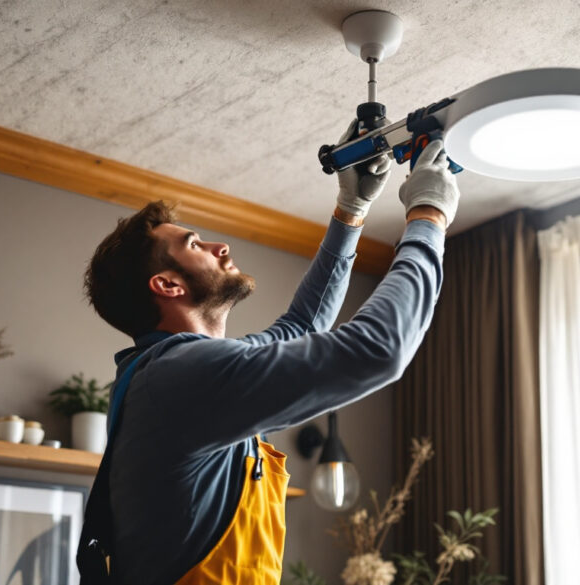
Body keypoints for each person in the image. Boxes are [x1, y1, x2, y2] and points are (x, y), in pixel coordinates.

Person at [79, 133, 460, 584]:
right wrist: (428, 218)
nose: (220, 247)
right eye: (195, 244)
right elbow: (380, 348)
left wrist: (351, 209)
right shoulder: (180, 376)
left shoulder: (174, 373)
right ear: (167, 285)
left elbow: (300, 326)